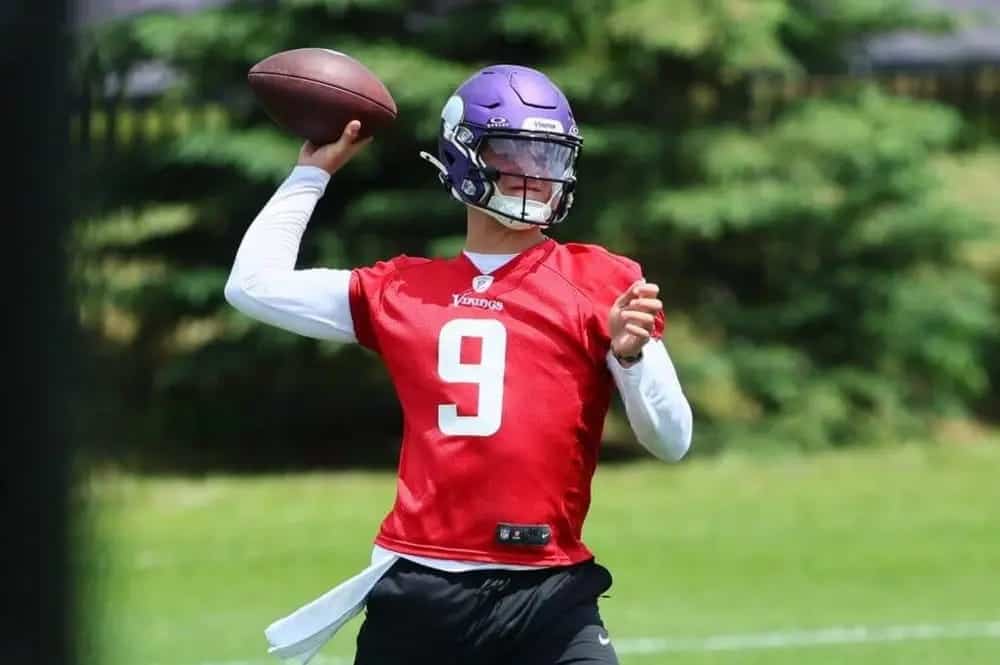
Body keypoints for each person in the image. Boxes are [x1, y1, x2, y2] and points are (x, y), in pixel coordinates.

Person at [225, 64, 693, 665]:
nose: (537, 176)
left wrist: (631, 358)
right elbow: (253, 286)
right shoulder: (403, 289)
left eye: (549, 158)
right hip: (422, 588)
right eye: (514, 154)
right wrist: (310, 173)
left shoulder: (603, 282)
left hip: (549, 591)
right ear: (465, 160)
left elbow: (673, 441)